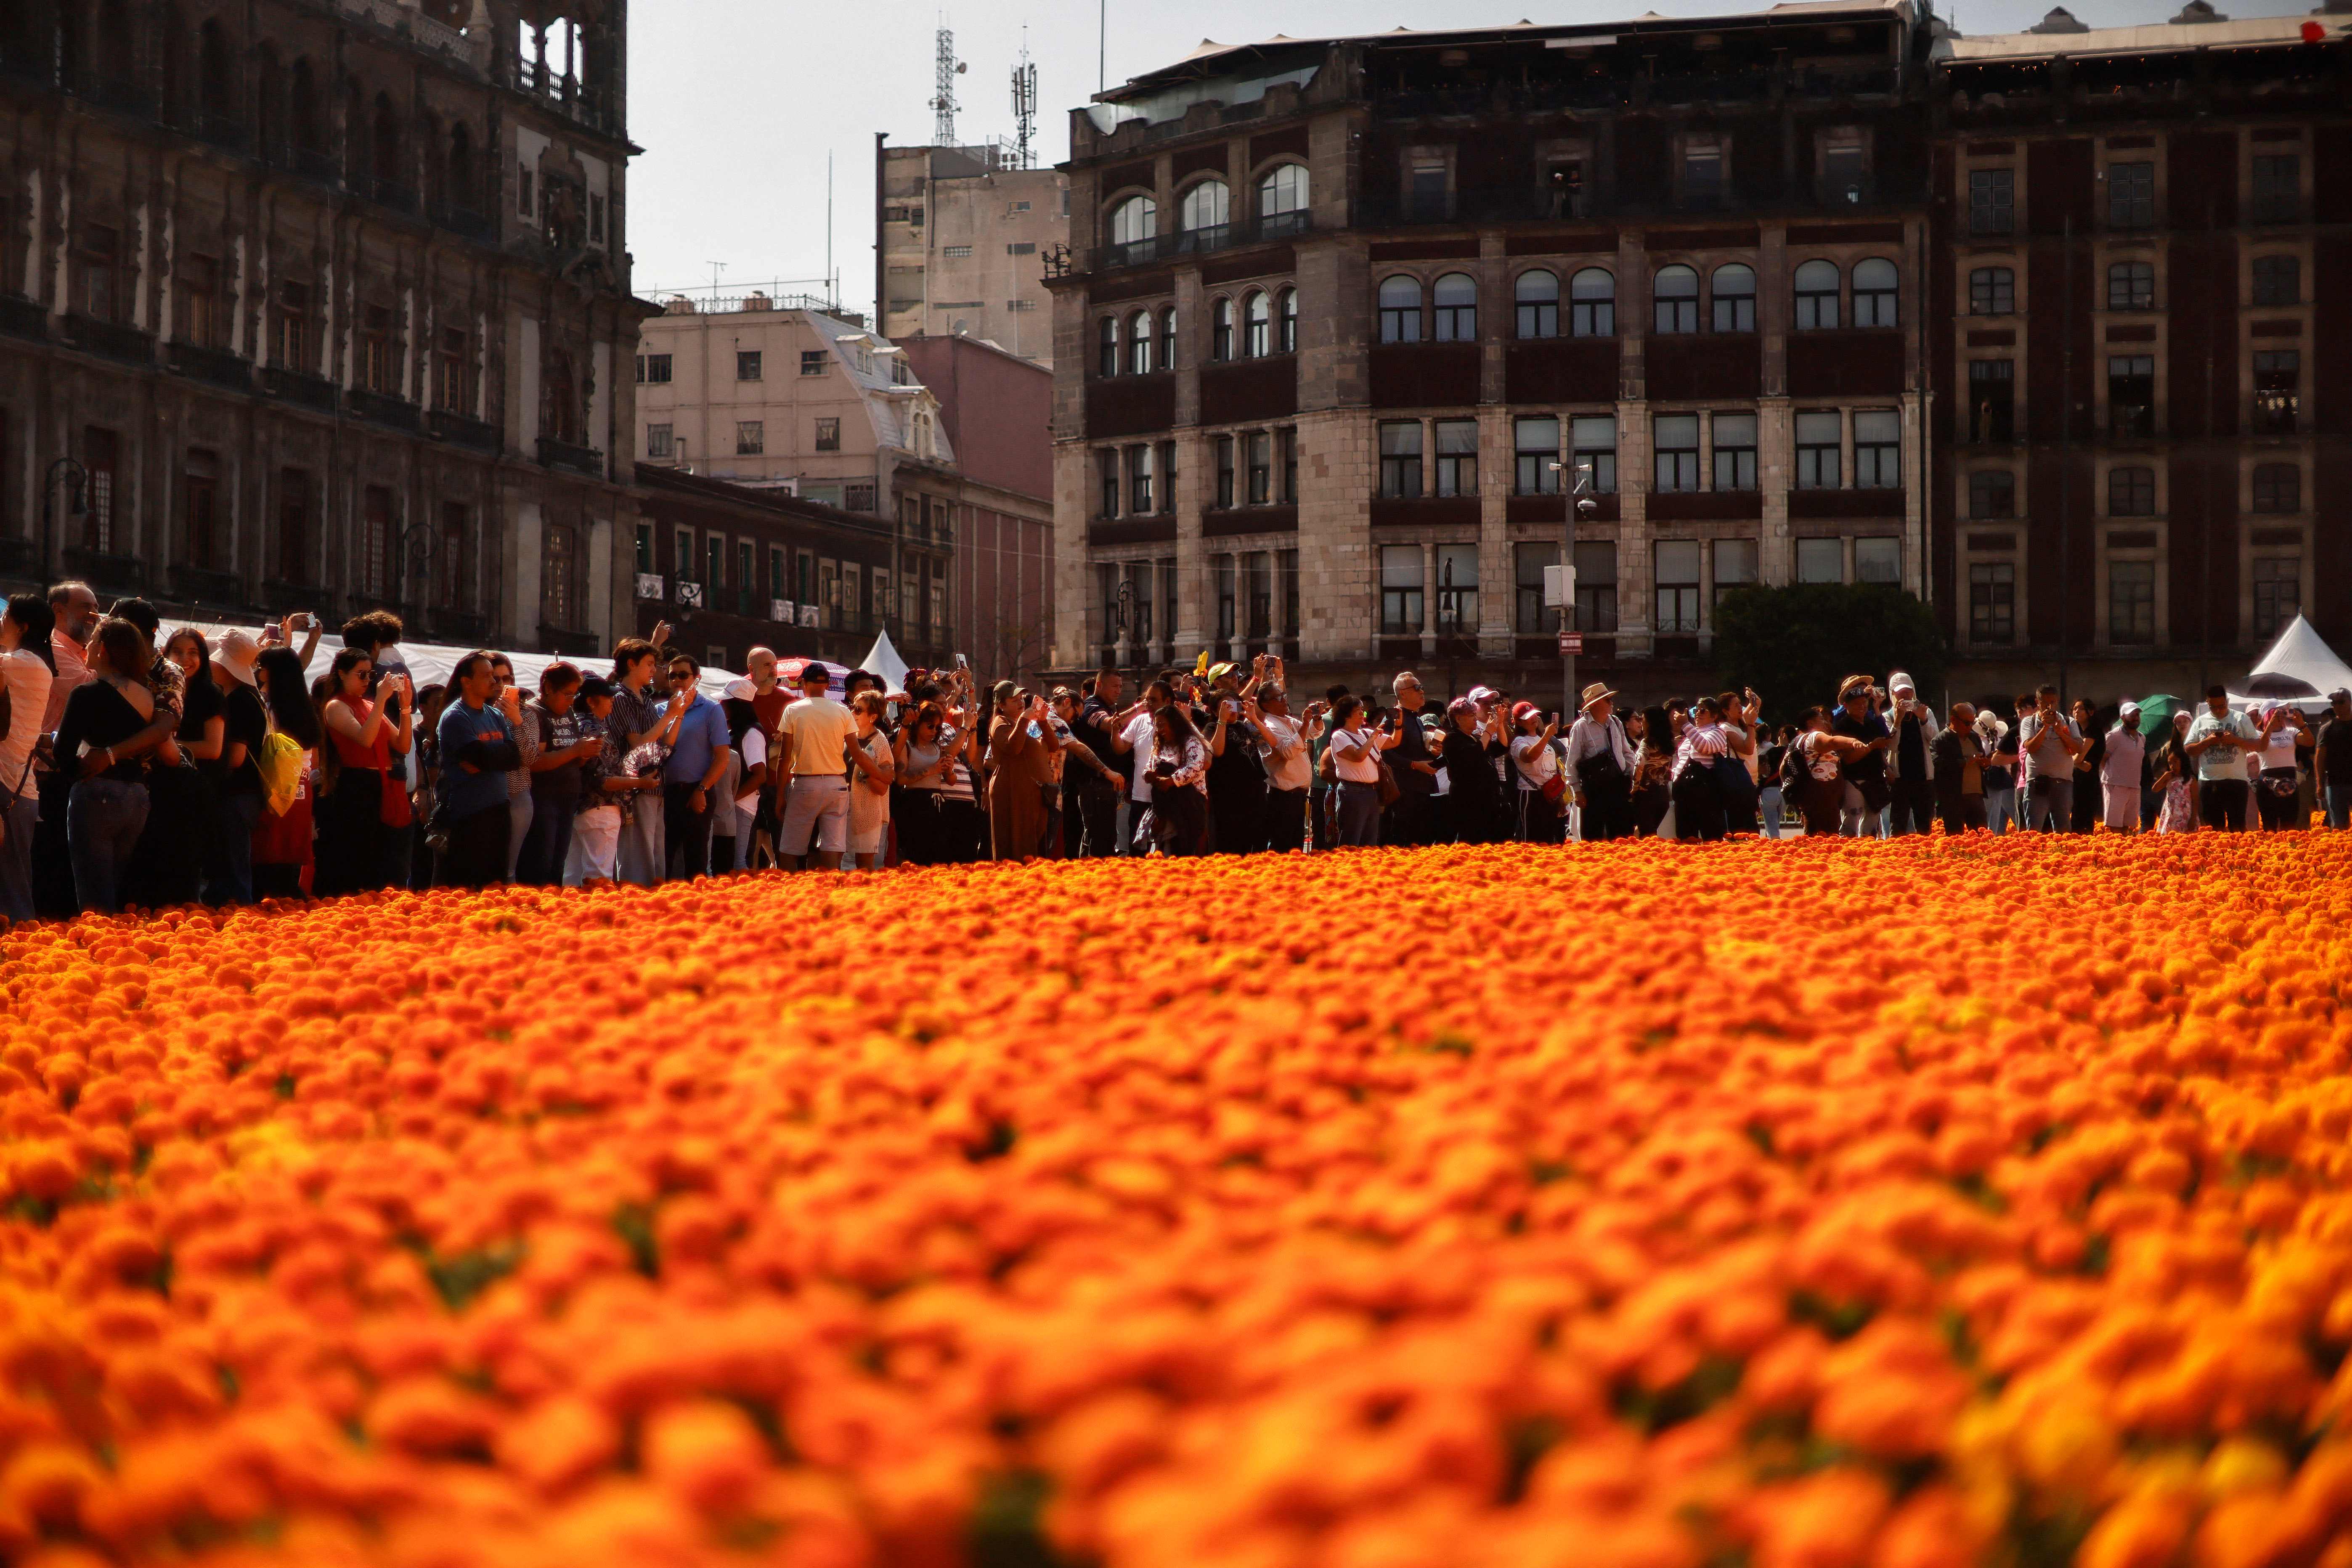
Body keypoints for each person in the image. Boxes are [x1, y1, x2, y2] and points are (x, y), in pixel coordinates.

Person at [55, 618, 162, 914]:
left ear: (102, 650)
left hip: (97, 794)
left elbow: (64, 752)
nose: (87, 646)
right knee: (116, 882)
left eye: (92, 642)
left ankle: (98, 950)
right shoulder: (146, 696)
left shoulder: (86, 693)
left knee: (94, 890)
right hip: (137, 796)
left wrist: (73, 769)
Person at [316, 648, 412, 896]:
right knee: (356, 854)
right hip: (355, 784)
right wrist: (380, 700)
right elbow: (364, 740)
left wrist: (405, 708)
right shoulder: (336, 705)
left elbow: (402, 745)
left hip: (382, 781)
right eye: (361, 675)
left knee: (382, 855)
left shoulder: (370, 704)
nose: (367, 681)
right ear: (341, 673)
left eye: (370, 675)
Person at [194, 630, 271, 906]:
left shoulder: (240, 701)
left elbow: (236, 757)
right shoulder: (252, 697)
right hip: (247, 794)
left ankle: (239, 923)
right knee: (234, 864)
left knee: (232, 869)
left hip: (236, 793)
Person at [433, 652, 522, 887]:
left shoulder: (495, 714)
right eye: (487, 676)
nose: (495, 682)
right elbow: (481, 757)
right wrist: (492, 759)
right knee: (466, 889)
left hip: (499, 810)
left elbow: (514, 758)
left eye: (494, 675)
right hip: (468, 814)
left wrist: (489, 761)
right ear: (467, 681)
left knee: (496, 886)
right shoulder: (455, 717)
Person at [608, 638, 686, 885]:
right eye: (650, 664)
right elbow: (639, 745)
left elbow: (662, 746)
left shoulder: (645, 699)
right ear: (632, 664)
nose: (655, 670)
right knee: (638, 857)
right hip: (635, 788)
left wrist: (679, 715)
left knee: (655, 854)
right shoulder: (620, 699)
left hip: (655, 786)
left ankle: (653, 901)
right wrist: (671, 715)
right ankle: (636, 904)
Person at [567, 677, 657, 885]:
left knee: (573, 877)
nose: (612, 701)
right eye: (607, 697)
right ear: (591, 702)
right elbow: (603, 781)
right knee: (599, 877)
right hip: (600, 809)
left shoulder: (575, 724)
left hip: (580, 808)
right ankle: (597, 917)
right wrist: (641, 782)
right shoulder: (595, 730)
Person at [249, 646, 321, 900]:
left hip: (277, 788)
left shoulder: (269, 709)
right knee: (290, 865)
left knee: (268, 863)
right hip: (301, 790)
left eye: (260, 667)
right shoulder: (305, 709)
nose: (257, 672)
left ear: (270, 673)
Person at [0, 594, 56, 921]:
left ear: (21, 627)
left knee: (12, 892)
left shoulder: (22, 662)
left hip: (7, 785)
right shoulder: (33, 663)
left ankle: (24, 955)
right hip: (21, 788)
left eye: (5, 617)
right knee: (14, 884)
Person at [516, 663, 597, 885]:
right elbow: (535, 762)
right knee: (541, 863)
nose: (571, 701)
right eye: (568, 694)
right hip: (543, 798)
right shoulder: (534, 713)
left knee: (557, 865)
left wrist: (585, 753)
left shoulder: (568, 712)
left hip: (567, 798)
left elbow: (573, 756)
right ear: (549, 688)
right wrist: (575, 750)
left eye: (575, 695)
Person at [776, 660, 858, 870]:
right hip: (837, 784)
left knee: (790, 849)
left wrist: (779, 797)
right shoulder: (842, 711)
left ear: (804, 683)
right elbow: (855, 753)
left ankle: (786, 893)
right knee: (832, 848)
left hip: (806, 784)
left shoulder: (793, 710)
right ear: (828, 685)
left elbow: (784, 758)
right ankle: (832, 891)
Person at [985, 681, 1057, 861]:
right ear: (1001, 705)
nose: (1021, 703)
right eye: (1014, 700)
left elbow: (1054, 746)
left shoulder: (1022, 724)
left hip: (1032, 792)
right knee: (1015, 848)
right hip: (1011, 790)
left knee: (1032, 846)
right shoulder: (999, 722)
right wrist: (1025, 719)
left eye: (1021, 698)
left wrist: (1042, 721)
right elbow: (1013, 748)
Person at [2183, 685, 2270, 833]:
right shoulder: (2201, 721)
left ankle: (2237, 855)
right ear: (2208, 703)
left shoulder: (2241, 718)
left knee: (2238, 828)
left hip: (2237, 781)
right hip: (2209, 781)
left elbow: (2258, 745)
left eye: (2222, 706)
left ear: (2227, 702)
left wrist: (2235, 740)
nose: (2218, 711)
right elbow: (2189, 749)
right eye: (2213, 707)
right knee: (2213, 828)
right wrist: (2208, 742)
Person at [1138, 702, 1211, 856]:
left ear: (1175, 723)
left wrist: (1171, 780)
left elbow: (1194, 767)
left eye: (1163, 725)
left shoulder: (1191, 742)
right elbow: (1148, 766)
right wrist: (1149, 774)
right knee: (1164, 850)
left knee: (1183, 849)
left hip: (1190, 805)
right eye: (1157, 726)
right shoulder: (1160, 745)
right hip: (1164, 805)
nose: (1160, 730)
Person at [1787, 705, 1874, 836]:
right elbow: (1832, 741)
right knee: (1826, 838)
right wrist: (1853, 742)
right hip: (1821, 797)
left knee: (1814, 835)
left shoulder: (1798, 740)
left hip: (1811, 796)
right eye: (1822, 719)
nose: (1827, 723)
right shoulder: (1814, 735)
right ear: (1810, 723)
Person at [1378, 672, 1439, 846]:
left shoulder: (1417, 719)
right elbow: (1383, 752)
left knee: (1423, 841)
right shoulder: (1393, 718)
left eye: (1421, 687)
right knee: (1402, 843)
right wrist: (1413, 765)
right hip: (1403, 791)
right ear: (1402, 693)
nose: (1422, 692)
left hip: (1421, 789)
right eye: (1417, 688)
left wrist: (1433, 752)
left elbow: (1415, 751)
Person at [1255, 686, 1318, 854]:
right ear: (1266, 704)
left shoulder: (1288, 721)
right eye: (1279, 698)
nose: (1285, 700)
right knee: (1283, 847)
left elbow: (1312, 733)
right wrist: (1305, 724)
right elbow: (1288, 752)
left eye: (1284, 695)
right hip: (1284, 797)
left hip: (1298, 795)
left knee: (1296, 847)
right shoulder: (1270, 725)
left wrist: (1316, 720)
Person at [1830, 677, 1893, 837]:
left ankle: (1869, 853)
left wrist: (1887, 767)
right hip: (1854, 780)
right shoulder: (1841, 726)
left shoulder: (1871, 721)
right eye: (1857, 704)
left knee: (1872, 824)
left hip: (1875, 778)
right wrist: (1871, 746)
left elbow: (1886, 740)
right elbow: (1847, 759)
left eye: (1865, 703)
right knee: (1851, 823)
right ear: (1846, 706)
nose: (1862, 707)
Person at [1438, 696, 1507, 844]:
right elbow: (1473, 755)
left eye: (1475, 715)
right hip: (1469, 802)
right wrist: (1488, 732)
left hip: (1488, 799)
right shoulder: (1452, 739)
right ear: (1458, 719)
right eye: (1471, 716)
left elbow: (1501, 747)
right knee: (1472, 841)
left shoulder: (1475, 738)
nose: (1475, 719)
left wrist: (1500, 724)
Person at [2017, 685, 2083, 833]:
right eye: (2044, 703)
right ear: (2037, 702)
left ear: (2058, 702)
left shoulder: (2069, 721)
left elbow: (2079, 748)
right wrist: (2045, 728)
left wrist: (2061, 733)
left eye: (2052, 702)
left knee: (2064, 831)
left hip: (2063, 782)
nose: (2049, 706)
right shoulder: (2029, 722)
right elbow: (2030, 748)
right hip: (2038, 783)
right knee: (2034, 830)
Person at [1882, 673, 1939, 837]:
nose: (1905, 697)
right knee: (1898, 823)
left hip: (1924, 776)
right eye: (1901, 694)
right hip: (1900, 778)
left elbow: (1935, 741)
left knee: (1925, 823)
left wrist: (1923, 720)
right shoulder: (1888, 717)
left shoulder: (1925, 712)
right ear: (1893, 695)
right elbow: (1891, 745)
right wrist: (1898, 721)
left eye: (1908, 693)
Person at [1668, 697, 1731, 842]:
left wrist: (1686, 725)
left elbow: (1705, 747)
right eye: (1696, 710)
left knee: (1712, 837)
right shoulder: (1692, 733)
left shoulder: (1718, 732)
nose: (1698, 714)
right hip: (1685, 791)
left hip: (1706, 792)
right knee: (1686, 838)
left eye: (1703, 710)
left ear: (1714, 716)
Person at [843, 691, 894, 870]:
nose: (852, 712)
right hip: (843, 805)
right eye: (852, 707)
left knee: (863, 866)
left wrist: (868, 774)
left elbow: (883, 788)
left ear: (873, 717)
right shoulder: (847, 736)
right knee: (841, 863)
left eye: (858, 710)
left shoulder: (880, 743)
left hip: (868, 811)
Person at [2249, 701, 2311, 832]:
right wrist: (2270, 727)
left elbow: (2310, 742)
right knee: (2269, 824)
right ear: (2269, 714)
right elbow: (2262, 747)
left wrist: (2302, 724)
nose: (2283, 715)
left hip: (2289, 777)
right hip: (2267, 780)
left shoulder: (2291, 731)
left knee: (2289, 824)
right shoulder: (2258, 734)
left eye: (2284, 712)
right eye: (2279, 712)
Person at [1508, 704, 1564, 843]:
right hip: (1531, 794)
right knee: (1531, 839)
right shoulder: (1519, 741)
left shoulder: (1542, 738)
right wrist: (1546, 735)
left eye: (1534, 715)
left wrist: (1560, 797)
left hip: (1549, 794)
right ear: (1519, 722)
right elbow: (1529, 756)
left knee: (1549, 838)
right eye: (1527, 718)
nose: (1533, 719)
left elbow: (1556, 762)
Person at [1930, 703, 1986, 835]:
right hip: (1954, 798)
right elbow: (1939, 765)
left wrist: (1986, 764)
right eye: (1967, 723)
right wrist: (1966, 762)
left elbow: (1982, 758)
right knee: (1956, 839)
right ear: (1953, 720)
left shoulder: (1974, 737)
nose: (1970, 727)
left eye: (1972, 723)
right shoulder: (1940, 740)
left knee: (1982, 838)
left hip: (1976, 796)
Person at [2100, 702, 2146, 834]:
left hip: (2135, 787)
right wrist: (2110, 778)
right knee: (2115, 827)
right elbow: (2102, 759)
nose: (2136, 718)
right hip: (2116, 786)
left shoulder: (2142, 738)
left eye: (2137, 715)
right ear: (2123, 717)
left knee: (2128, 826)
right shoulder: (2113, 736)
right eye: (2132, 715)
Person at [1630, 705, 1674, 837]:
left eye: (1643, 719)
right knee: (1652, 833)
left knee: (1647, 836)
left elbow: (1640, 763)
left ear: (1650, 723)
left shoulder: (1647, 743)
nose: (1641, 722)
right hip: (1663, 794)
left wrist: (1635, 787)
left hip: (1646, 794)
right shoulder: (1668, 744)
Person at [2154, 710, 2197, 833]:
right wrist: (2169, 777)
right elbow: (2159, 769)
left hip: (2194, 785)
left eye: (2185, 721)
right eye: (2179, 722)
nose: (2182, 724)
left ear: (2191, 722)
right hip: (2175, 789)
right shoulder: (2169, 747)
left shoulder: (2198, 742)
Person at [1979, 710, 2019, 835]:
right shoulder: (1998, 740)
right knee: (1997, 813)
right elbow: (2006, 764)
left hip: (1986, 778)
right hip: (2002, 780)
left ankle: (1991, 837)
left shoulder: (1982, 742)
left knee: (1990, 812)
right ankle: (1995, 837)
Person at [2317, 689, 2352, 830]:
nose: (2337, 706)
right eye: (2334, 703)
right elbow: (2320, 758)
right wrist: (2320, 784)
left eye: (2341, 702)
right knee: (2339, 825)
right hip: (2335, 783)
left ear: (2350, 702)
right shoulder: (2327, 729)